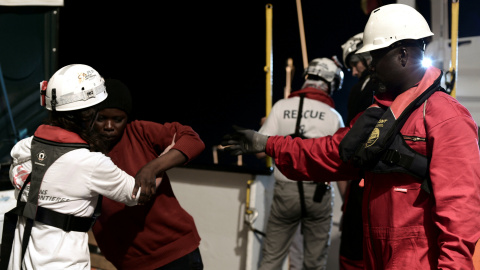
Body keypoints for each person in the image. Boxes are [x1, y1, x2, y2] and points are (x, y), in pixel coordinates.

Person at [221, 4, 480, 269]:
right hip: (377, 255)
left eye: (376, 57)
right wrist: (266, 143)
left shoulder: (446, 116)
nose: (371, 67)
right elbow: (328, 152)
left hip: (417, 259)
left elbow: (460, 209)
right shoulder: (378, 116)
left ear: (403, 54)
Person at [2, 64, 152, 270]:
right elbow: (137, 195)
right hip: (63, 265)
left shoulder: (22, 148)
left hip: (19, 261)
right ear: (89, 114)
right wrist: (155, 167)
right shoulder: (92, 164)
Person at [91, 78, 205, 270]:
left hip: (174, 253)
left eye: (117, 119)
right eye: (101, 118)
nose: (109, 126)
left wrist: (152, 167)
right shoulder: (84, 148)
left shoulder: (140, 132)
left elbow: (193, 140)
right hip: (129, 261)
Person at [256, 57, 345, 270]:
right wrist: (348, 205)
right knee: (314, 264)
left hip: (285, 191)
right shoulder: (333, 116)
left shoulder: (281, 107)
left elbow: (260, 150)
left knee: (271, 259)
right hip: (319, 194)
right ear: (330, 83)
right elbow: (341, 164)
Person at [336, 32, 377, 270]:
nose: (352, 71)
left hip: (363, 178)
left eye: (354, 63)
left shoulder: (362, 89)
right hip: (368, 179)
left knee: (354, 251)